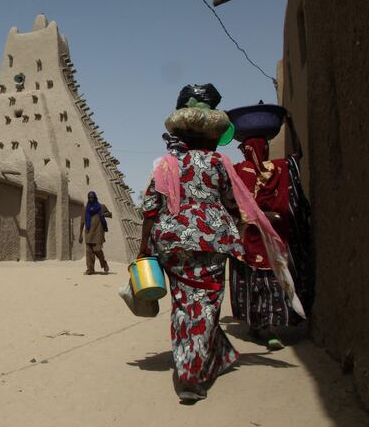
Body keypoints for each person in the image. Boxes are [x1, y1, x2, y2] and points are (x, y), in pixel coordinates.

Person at [137, 84, 304, 403]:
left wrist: (145, 247)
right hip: (211, 245)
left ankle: (216, 356)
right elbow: (232, 203)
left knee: (185, 306)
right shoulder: (218, 163)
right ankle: (190, 376)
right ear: (211, 136)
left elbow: (150, 207)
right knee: (206, 307)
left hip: (172, 246)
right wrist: (236, 225)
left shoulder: (167, 165)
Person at [229, 114, 314, 350]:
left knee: (261, 283)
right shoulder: (276, 168)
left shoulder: (242, 171)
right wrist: (291, 124)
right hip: (261, 238)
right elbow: (298, 155)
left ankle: (265, 326)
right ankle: (262, 326)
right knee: (264, 282)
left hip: (256, 239)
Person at [79, 191, 112, 275]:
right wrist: (80, 235)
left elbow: (109, 214)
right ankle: (90, 269)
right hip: (88, 232)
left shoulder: (101, 207)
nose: (91, 199)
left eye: (92, 197)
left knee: (97, 249)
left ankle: (104, 263)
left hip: (98, 232)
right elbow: (82, 222)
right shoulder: (85, 209)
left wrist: (105, 214)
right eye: (89, 197)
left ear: (95, 197)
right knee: (89, 253)